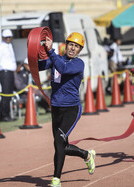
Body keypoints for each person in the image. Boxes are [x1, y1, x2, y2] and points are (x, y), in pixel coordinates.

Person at [38, 32, 95, 187]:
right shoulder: (56, 59)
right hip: (56, 108)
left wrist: (50, 52)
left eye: (76, 46)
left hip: (72, 109)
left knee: (59, 141)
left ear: (79, 50)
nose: (72, 48)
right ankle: (86, 155)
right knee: (60, 145)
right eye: (71, 44)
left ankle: (56, 180)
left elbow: (62, 68)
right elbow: (38, 66)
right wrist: (36, 49)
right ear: (66, 45)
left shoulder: (78, 64)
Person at [0, 29, 17, 122]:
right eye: (6, 37)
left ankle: (6, 114)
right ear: (3, 37)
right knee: (6, 93)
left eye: (9, 37)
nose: (8, 38)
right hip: (5, 72)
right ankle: (4, 115)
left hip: (10, 72)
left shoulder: (9, 45)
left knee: (9, 94)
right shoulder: (2, 47)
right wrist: (0, 70)